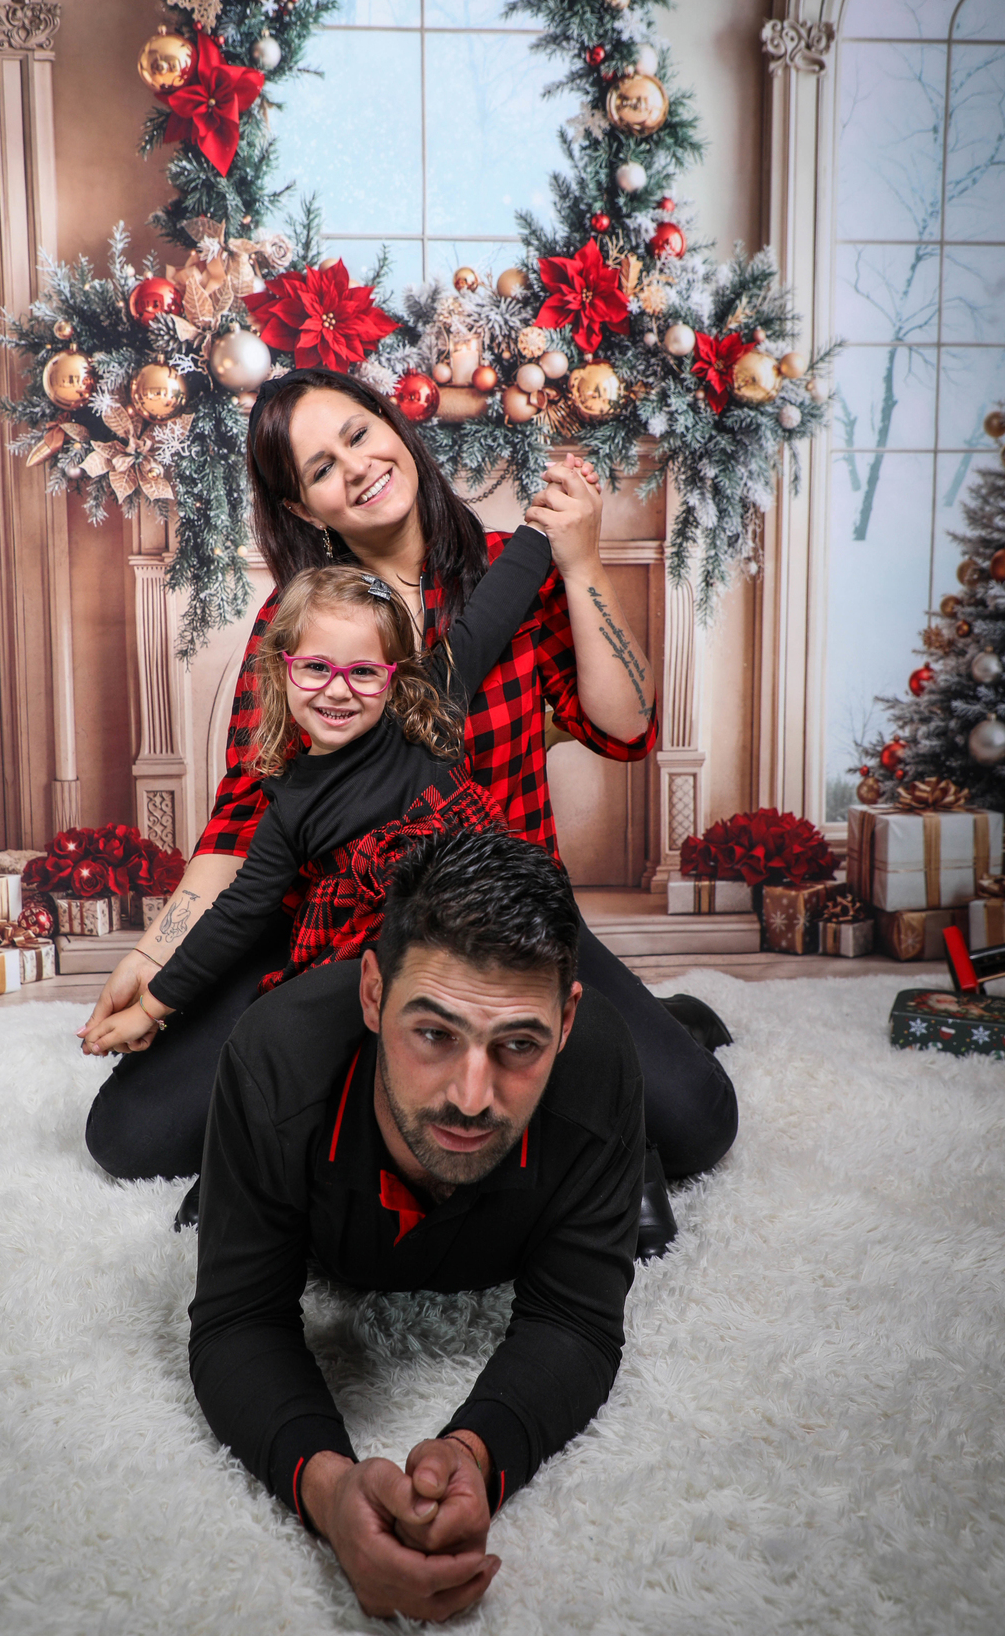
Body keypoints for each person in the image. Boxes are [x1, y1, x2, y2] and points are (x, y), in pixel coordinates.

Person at [81, 368, 737, 1242]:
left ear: (393, 426)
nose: (354, 467)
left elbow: (627, 731)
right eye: (320, 467)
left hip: (506, 928)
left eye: (358, 435)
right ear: (305, 507)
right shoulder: (298, 621)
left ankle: (637, 1039)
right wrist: (157, 956)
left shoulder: (507, 579)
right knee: (128, 1136)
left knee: (697, 1123)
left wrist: (581, 561)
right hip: (333, 938)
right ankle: (307, 1143)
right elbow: (243, 819)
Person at [189, 827, 646, 1623]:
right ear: (373, 994)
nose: (471, 1097)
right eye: (433, 1034)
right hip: (296, 1098)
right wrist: (330, 1492)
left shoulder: (599, 1065)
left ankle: (679, 1041)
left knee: (701, 1120)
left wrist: (476, 1453)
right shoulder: (272, 1064)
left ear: (566, 1021)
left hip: (601, 1096)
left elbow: (576, 1319)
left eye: (518, 1045)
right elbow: (238, 1319)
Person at [82, 523, 553, 1052]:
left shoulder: (426, 715)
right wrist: (149, 1007)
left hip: (487, 922)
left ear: (394, 676)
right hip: (379, 961)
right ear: (281, 671)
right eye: (315, 668)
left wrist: (543, 528)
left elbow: (495, 608)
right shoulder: (290, 806)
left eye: (364, 672)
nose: (339, 690)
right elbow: (236, 914)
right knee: (278, 1029)